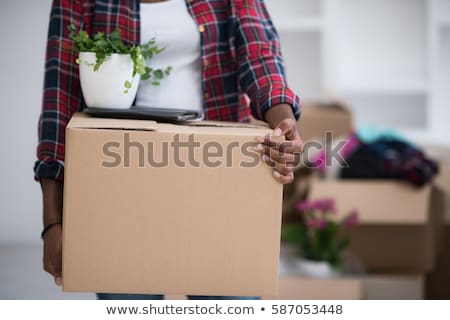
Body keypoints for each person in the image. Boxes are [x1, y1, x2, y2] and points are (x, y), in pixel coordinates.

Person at [35, 0, 303, 300]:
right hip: (120, 178)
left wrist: (284, 121)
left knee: (230, 301)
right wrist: (53, 221)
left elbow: (259, 55)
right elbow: (59, 97)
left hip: (218, 172)